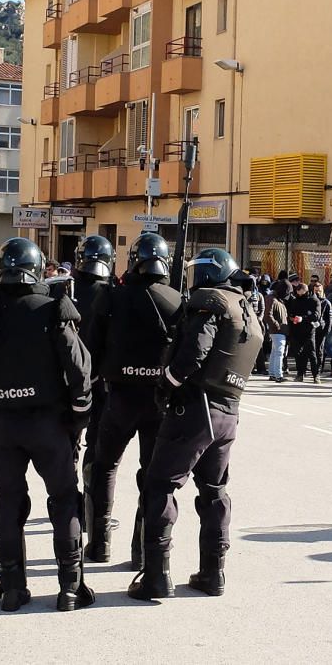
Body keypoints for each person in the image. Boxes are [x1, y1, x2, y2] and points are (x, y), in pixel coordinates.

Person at [129, 248, 263, 600]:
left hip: (195, 407)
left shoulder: (211, 302)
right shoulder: (246, 308)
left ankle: (156, 576)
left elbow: (195, 352)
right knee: (214, 491)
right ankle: (212, 573)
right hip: (228, 411)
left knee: (160, 486)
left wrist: (167, 381)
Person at [0, 237, 94, 612]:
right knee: (63, 501)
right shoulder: (52, 308)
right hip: (48, 424)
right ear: (37, 269)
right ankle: (70, 588)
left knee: (7, 502)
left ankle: (11, 586)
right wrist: (78, 419)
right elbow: (80, 371)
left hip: (2, 424)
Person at [83, 234, 182, 569]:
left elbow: (90, 349)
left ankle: (99, 545)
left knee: (104, 467)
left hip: (119, 397)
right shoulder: (176, 301)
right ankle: (142, 551)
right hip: (159, 401)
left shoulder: (111, 297)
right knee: (152, 475)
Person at [71, 234, 116, 536]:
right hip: (100, 383)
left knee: (68, 446)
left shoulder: (65, 290)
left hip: (67, 381)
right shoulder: (113, 295)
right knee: (97, 450)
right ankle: (91, 508)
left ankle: (70, 504)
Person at [287, 281, 321, 383]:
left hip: (309, 331)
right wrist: (292, 318)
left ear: (304, 291)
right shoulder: (295, 300)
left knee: (312, 353)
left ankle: (316, 375)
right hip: (296, 330)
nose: (297, 293)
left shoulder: (314, 300)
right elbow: (291, 312)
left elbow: (316, 316)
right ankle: (300, 374)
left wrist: (303, 318)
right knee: (298, 354)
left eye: (299, 291)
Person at [264, 279, 289, 383]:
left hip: (279, 330)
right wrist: (276, 325)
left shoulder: (276, 299)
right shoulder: (273, 299)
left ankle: (273, 374)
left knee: (275, 352)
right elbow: (267, 315)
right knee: (279, 352)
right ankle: (278, 375)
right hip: (278, 330)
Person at [314, 284, 332, 374]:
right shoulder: (311, 301)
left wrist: (327, 330)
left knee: (320, 350)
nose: (317, 292)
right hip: (311, 330)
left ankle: (318, 369)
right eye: (315, 291)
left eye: (319, 291)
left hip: (321, 330)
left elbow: (329, 318)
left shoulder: (326, 303)